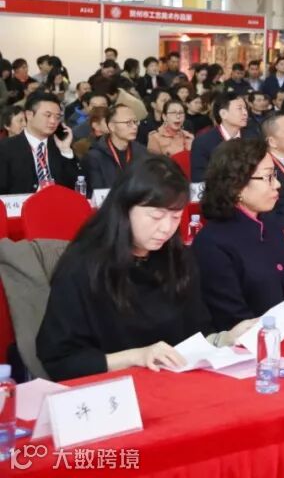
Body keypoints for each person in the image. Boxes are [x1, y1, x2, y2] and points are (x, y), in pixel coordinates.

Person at [36, 157, 257, 381]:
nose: (166, 228)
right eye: (156, 216)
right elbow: (60, 360)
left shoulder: (177, 258)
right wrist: (137, 357)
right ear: (124, 209)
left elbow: (195, 334)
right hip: (113, 389)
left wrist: (225, 338)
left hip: (175, 384)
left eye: (176, 217)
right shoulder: (83, 268)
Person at [194, 139, 284, 332]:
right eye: (268, 177)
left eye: (275, 175)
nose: (277, 184)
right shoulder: (212, 243)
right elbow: (235, 322)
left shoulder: (269, 225)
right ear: (237, 185)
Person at [0, 92, 78, 194]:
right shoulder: (5, 148)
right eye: (48, 115)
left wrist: (66, 151)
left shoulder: (60, 144)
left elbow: (77, 185)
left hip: (57, 201)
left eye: (57, 117)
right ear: (29, 115)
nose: (53, 121)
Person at [84, 105, 148, 192]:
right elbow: (97, 193)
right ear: (112, 127)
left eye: (135, 122)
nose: (134, 127)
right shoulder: (95, 156)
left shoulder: (142, 152)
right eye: (128, 123)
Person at [189, 93, 250, 182]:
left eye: (245, 108)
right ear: (223, 114)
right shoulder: (203, 142)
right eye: (239, 109)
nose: (245, 113)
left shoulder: (252, 137)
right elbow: (199, 178)